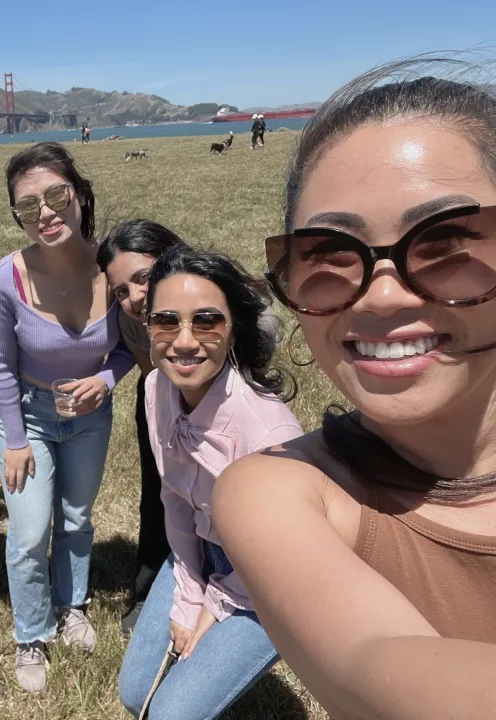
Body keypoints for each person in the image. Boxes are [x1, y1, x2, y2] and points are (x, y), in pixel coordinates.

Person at [213, 59, 496, 719]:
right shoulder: (281, 495)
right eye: (328, 255)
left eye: (447, 240)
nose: (381, 295)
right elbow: (379, 662)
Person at [117, 243, 301, 719]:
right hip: (200, 550)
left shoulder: (268, 433)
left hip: (268, 581)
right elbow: (174, 501)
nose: (183, 341)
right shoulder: (157, 387)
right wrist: (190, 591)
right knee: (135, 695)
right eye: (165, 321)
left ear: (233, 326)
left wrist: (213, 607)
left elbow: (280, 559)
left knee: (169, 715)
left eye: (206, 320)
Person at [0, 142, 134, 692]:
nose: (44, 213)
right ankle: (30, 633)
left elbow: (130, 347)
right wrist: (16, 441)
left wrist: (105, 380)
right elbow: (0, 366)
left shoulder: (111, 267)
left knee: (76, 519)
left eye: (55, 195)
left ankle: (73, 605)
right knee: (27, 530)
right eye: (27, 207)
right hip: (28, 415)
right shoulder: (5, 280)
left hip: (91, 414)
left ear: (78, 195)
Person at [96, 220, 186, 633]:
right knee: (158, 495)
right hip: (161, 395)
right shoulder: (131, 316)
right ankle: (148, 590)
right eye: (120, 290)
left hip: (222, 403)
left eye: (144, 278)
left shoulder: (216, 298)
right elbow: (154, 375)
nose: (134, 297)